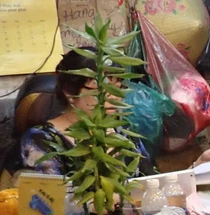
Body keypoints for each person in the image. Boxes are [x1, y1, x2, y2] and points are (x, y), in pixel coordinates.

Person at [19, 49, 153, 176]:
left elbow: (153, 181)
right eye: (101, 90)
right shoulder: (41, 139)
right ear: (69, 92)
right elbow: (50, 196)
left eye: (117, 89)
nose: (115, 97)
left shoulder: (122, 130)